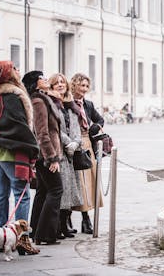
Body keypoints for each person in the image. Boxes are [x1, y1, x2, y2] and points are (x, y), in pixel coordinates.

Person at [0, 60, 40, 255]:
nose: (18, 70)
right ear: (8, 74)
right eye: (14, 68)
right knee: (22, 195)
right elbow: (18, 128)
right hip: (10, 153)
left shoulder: (1, 96)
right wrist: (32, 147)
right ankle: (22, 239)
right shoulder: (13, 97)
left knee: (2, 192)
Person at [22, 71, 64, 245]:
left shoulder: (41, 99)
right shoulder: (39, 101)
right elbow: (42, 132)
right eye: (42, 78)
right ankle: (45, 235)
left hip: (42, 154)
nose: (46, 79)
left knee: (43, 191)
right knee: (56, 190)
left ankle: (36, 232)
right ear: (35, 83)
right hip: (46, 154)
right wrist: (52, 158)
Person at [49, 73, 83, 238]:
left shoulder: (71, 105)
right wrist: (68, 142)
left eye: (63, 82)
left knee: (70, 190)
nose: (61, 85)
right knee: (61, 190)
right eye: (57, 83)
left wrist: (76, 143)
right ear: (52, 86)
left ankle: (64, 224)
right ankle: (56, 226)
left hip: (71, 153)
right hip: (60, 151)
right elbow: (54, 128)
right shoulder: (52, 104)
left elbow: (76, 127)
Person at [70, 73, 104, 234]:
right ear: (74, 85)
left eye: (86, 86)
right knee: (78, 184)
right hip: (74, 145)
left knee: (89, 184)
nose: (84, 89)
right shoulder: (68, 103)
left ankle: (86, 219)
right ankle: (68, 218)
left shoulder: (88, 104)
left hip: (88, 145)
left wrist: (95, 127)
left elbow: (100, 120)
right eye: (81, 85)